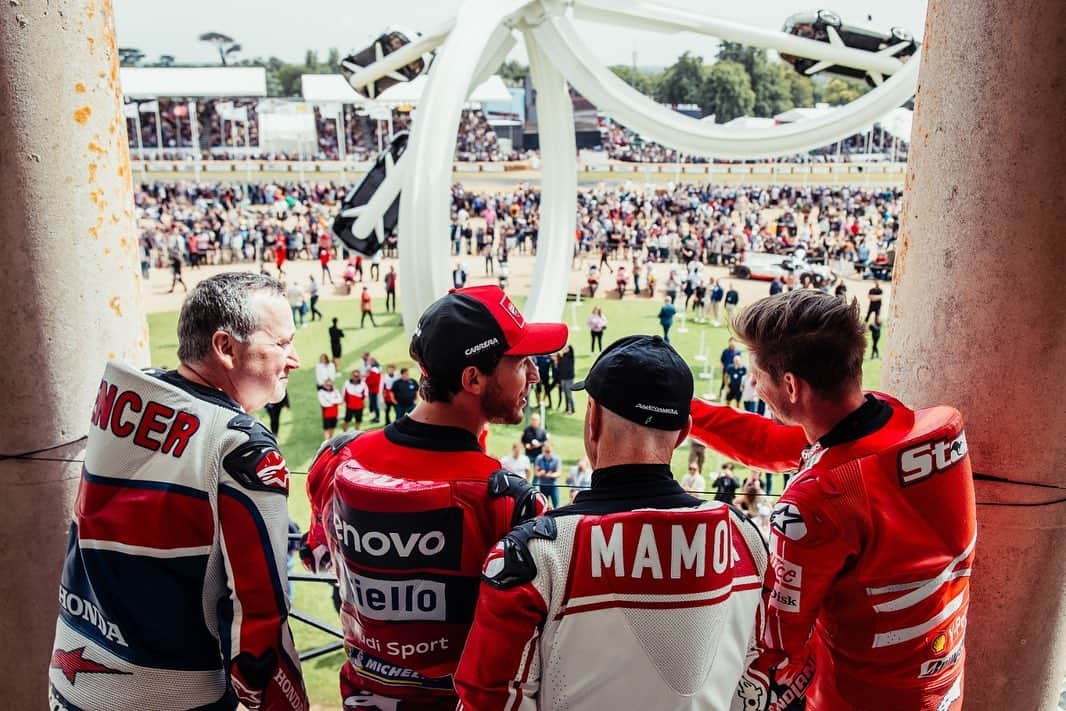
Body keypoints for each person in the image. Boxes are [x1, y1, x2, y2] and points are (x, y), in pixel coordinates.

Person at [690, 289, 976, 710]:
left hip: (855, 700)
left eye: (757, 375)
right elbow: (781, 445)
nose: (752, 384)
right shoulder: (929, 425)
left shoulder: (812, 505)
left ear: (790, 385)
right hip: (943, 686)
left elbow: (777, 651)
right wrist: (688, 414)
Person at [453, 335, 766, 710]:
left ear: (593, 418)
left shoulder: (534, 557)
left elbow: (487, 700)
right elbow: (759, 682)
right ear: (683, 432)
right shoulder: (745, 539)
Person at [48, 272, 308, 710]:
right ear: (225, 348)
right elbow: (261, 633)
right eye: (282, 343)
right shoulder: (242, 447)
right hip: (172, 694)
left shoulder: (120, 394)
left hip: (71, 673)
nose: (294, 359)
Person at [301, 283, 566, 709]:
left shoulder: (335, 458)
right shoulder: (512, 502)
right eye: (519, 361)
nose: (535, 373)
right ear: (473, 378)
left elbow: (314, 558)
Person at [533, 442, 562, 508]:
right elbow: (536, 473)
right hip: (543, 485)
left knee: (556, 505)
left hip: (553, 485)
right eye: (546, 451)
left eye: (549, 451)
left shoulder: (557, 459)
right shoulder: (539, 458)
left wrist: (550, 475)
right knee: (543, 505)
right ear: (543, 449)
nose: (547, 453)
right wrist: (541, 473)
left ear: (552, 449)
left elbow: (558, 473)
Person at [556, 344, 576, 415]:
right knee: (565, 395)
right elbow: (559, 369)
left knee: (569, 395)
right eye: (564, 348)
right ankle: (567, 409)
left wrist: (568, 346)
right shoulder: (562, 357)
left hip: (569, 379)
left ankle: (573, 410)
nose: (564, 349)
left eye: (566, 348)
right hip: (563, 379)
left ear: (569, 349)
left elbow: (571, 350)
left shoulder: (571, 357)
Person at [365, 357, 382, 424]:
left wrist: (366, 381)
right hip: (373, 390)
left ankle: (377, 418)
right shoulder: (375, 369)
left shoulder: (374, 370)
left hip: (373, 390)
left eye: (370, 361)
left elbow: (373, 381)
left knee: (375, 405)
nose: (369, 362)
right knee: (374, 404)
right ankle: (376, 417)